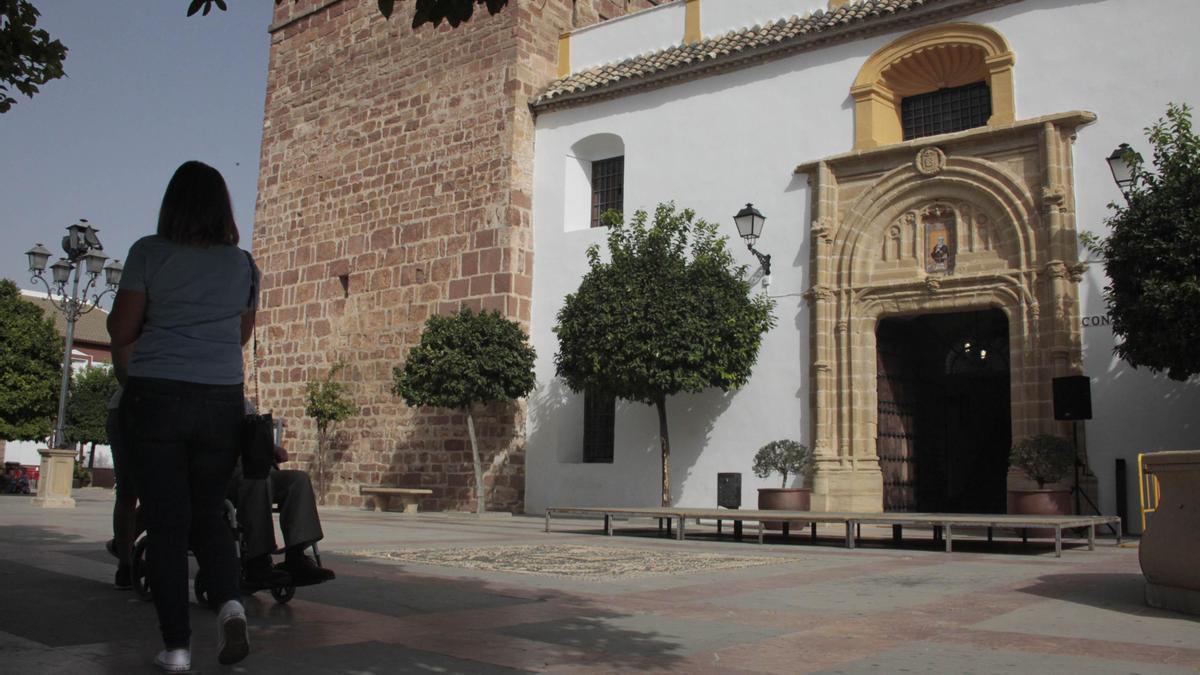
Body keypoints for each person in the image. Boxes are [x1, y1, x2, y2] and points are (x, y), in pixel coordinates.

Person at [108, 160, 258, 673]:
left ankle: (176, 648)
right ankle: (232, 605)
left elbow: (122, 330)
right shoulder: (242, 264)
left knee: (168, 525)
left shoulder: (148, 253)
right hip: (220, 400)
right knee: (210, 511)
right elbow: (239, 336)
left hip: (158, 397)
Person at [232, 411, 335, 588]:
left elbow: (254, 431)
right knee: (259, 479)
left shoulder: (241, 402)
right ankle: (258, 560)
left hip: (257, 466)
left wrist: (272, 448)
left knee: (298, 480)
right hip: (228, 471)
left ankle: (296, 556)